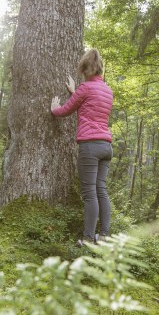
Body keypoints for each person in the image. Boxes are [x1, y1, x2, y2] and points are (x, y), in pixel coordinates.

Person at [51, 49, 113, 246]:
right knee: (101, 190)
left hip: (90, 146)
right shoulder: (107, 90)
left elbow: (66, 110)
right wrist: (74, 92)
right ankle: (104, 236)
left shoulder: (85, 89)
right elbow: (91, 104)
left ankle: (87, 239)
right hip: (106, 146)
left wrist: (54, 109)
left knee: (89, 193)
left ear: (86, 69)